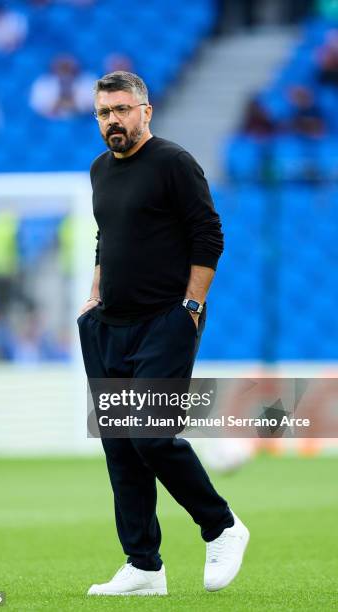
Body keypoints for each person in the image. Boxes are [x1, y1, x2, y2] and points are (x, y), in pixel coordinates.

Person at [77, 71, 249, 597]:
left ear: (145, 112)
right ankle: (144, 565)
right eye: (105, 112)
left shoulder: (173, 162)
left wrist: (191, 306)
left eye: (123, 110)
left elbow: (208, 235)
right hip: (109, 325)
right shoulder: (99, 170)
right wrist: (93, 296)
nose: (114, 121)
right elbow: (109, 238)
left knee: (150, 436)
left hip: (164, 323)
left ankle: (221, 526)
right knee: (121, 447)